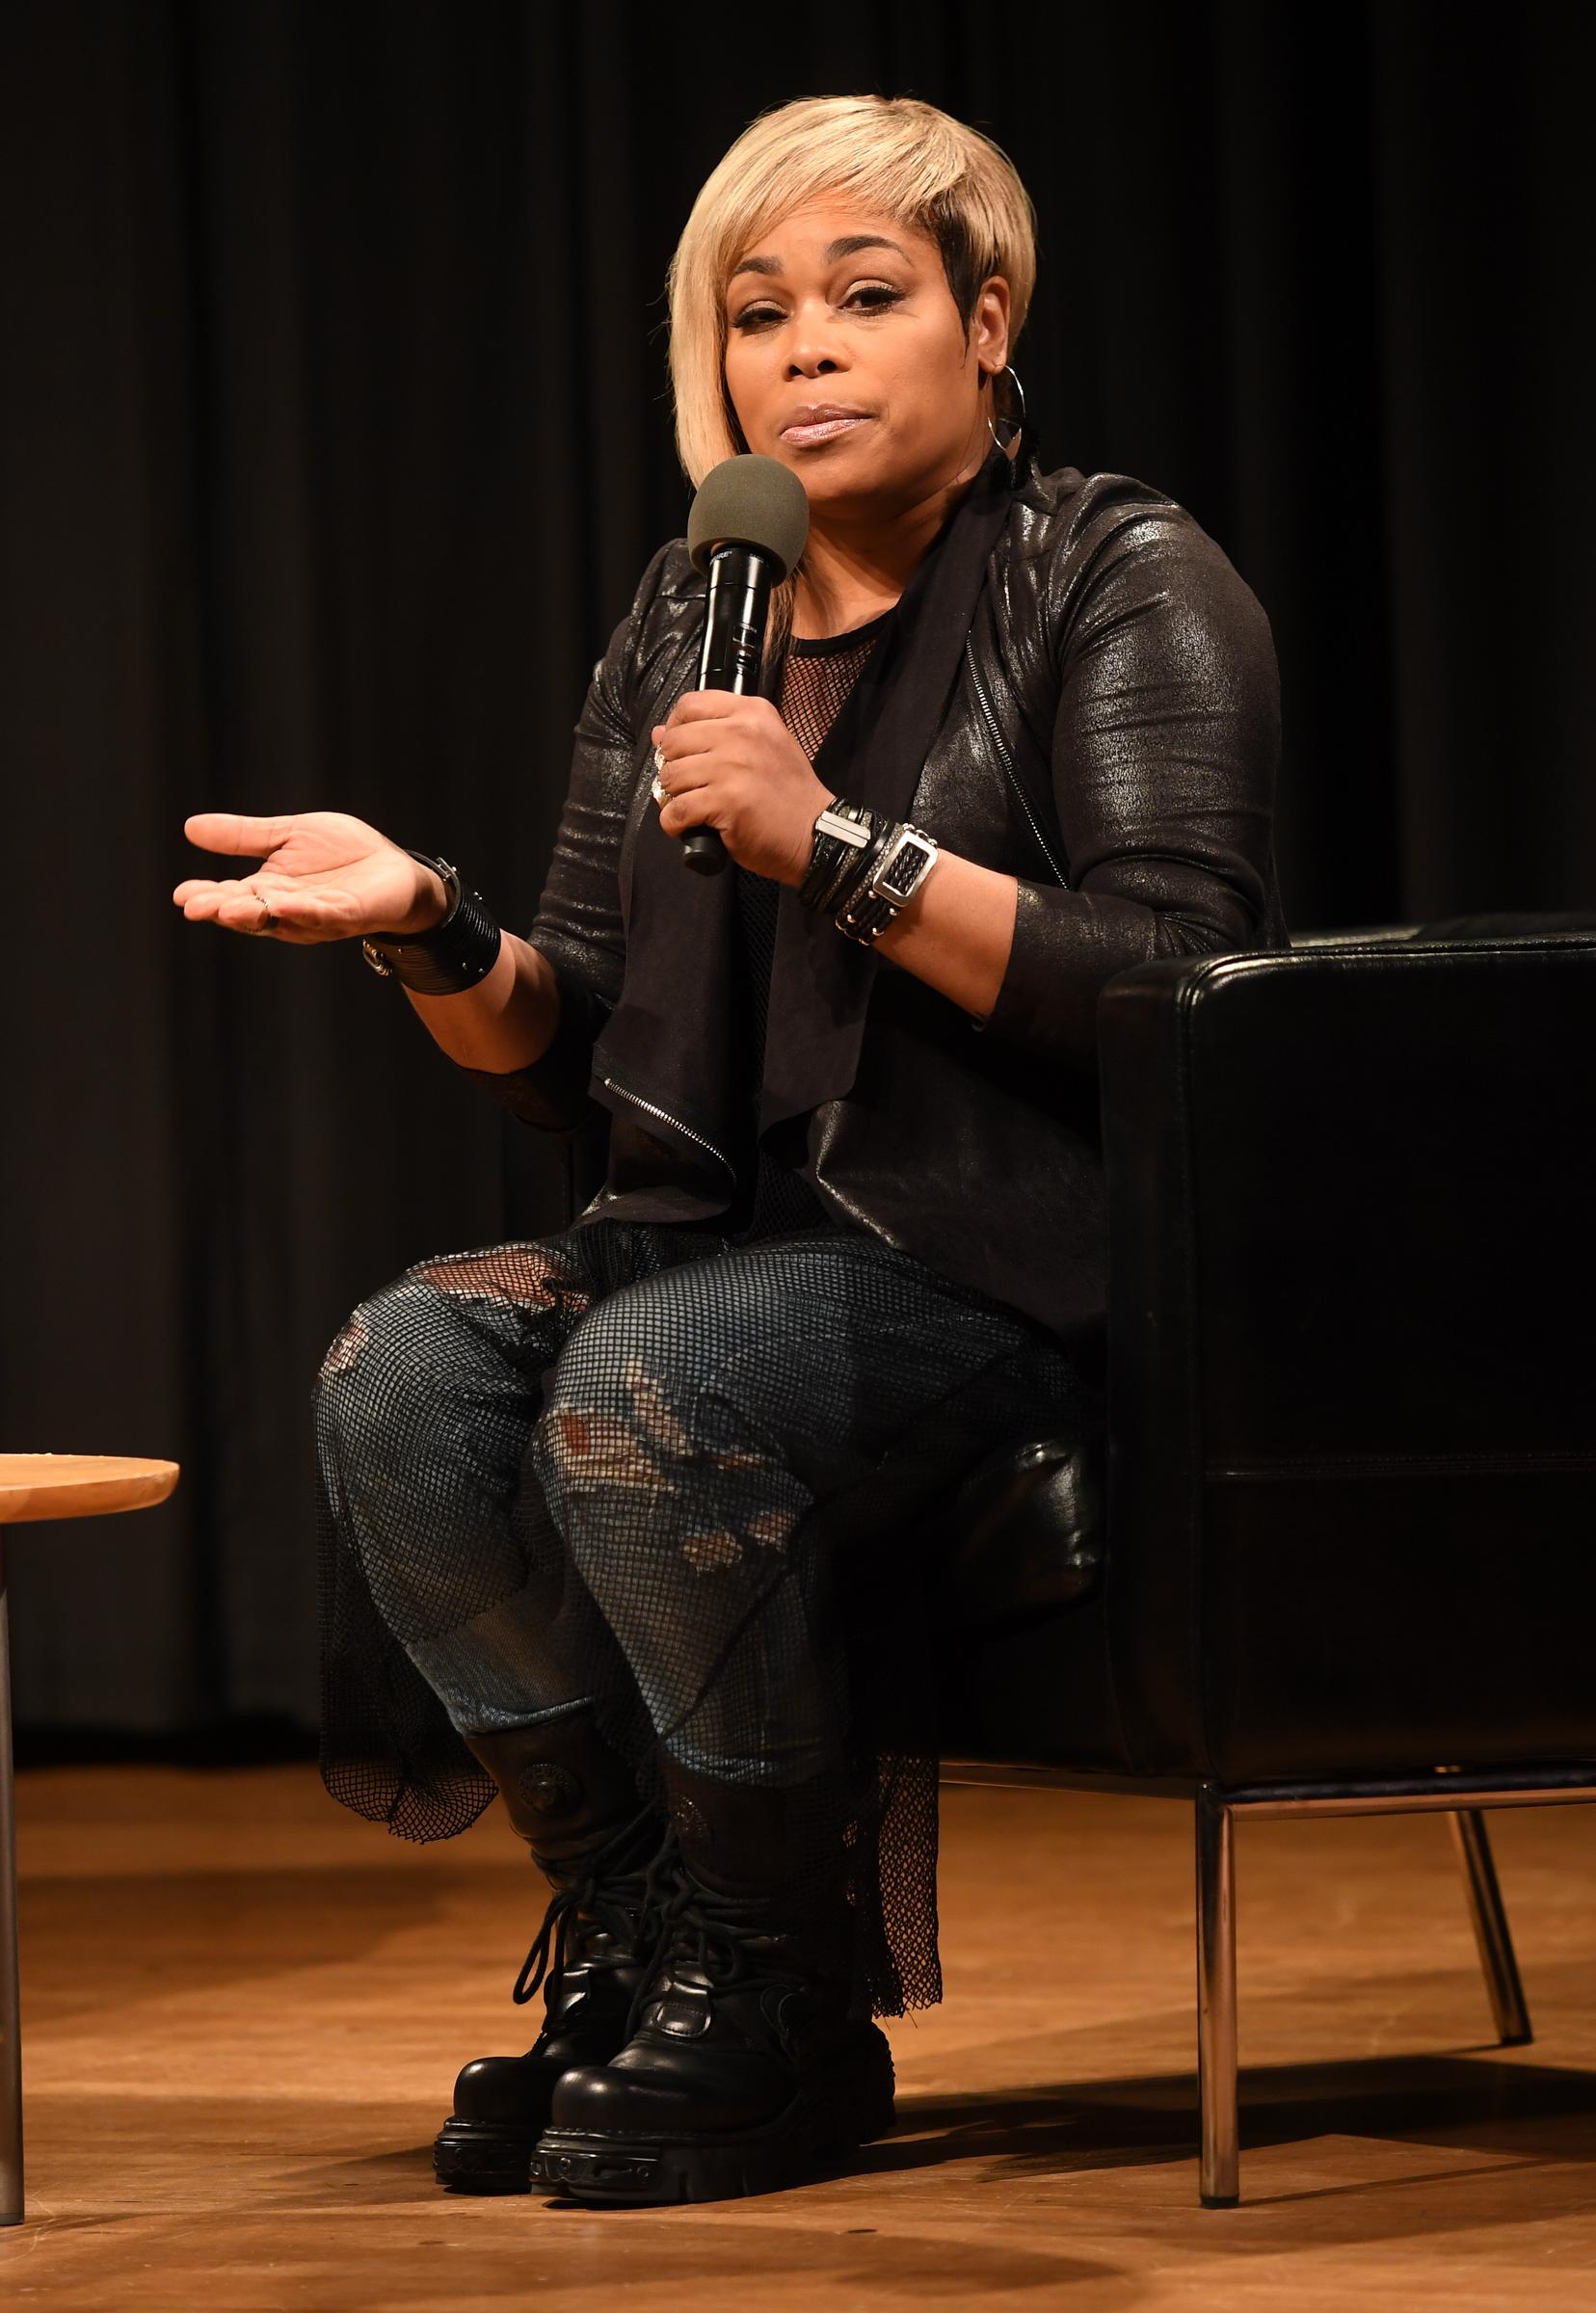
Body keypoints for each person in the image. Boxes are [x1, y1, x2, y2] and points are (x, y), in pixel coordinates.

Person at [173, 93, 1286, 2208]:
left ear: (986, 319)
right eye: (755, 311)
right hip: (724, 1237)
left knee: (647, 1382)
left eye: (866, 299)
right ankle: (640, 1931)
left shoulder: (1119, 578)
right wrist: (426, 924)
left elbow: (1185, 985)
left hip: (1021, 1266)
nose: (806, 350)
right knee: (402, 1369)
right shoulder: (690, 625)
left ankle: (779, 1993)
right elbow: (577, 1047)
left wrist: (841, 848)